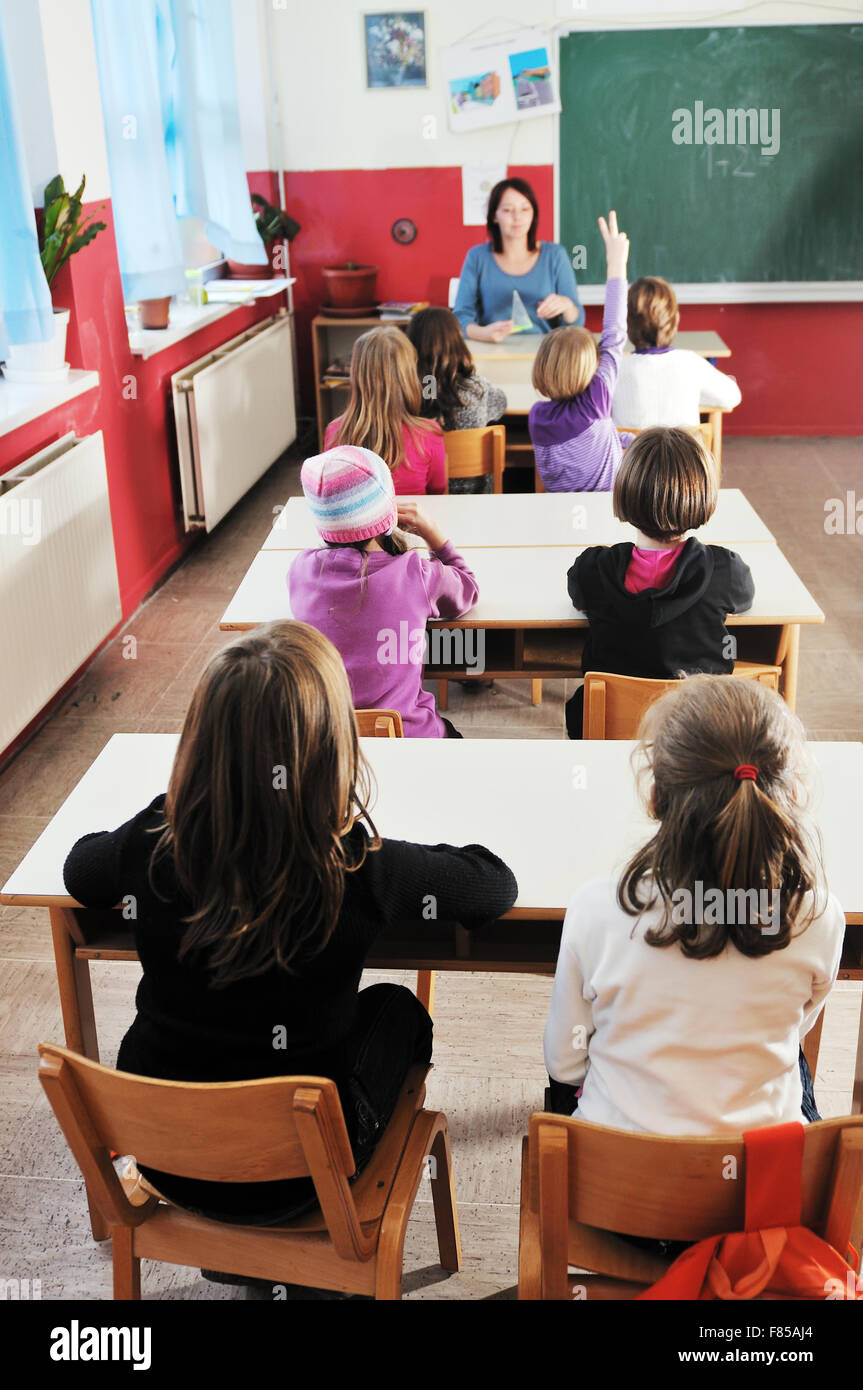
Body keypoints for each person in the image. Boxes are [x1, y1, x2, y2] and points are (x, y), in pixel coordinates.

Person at [63, 621, 518, 1226]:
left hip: (165, 1157)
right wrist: (404, 855)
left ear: (201, 742)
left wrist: (166, 812)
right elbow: (494, 885)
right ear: (333, 745)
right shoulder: (359, 868)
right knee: (398, 1010)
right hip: (304, 1175)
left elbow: (79, 869)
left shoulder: (152, 843)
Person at [544, 674, 844, 1133]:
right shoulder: (819, 917)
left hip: (617, 1169)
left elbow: (566, 1063)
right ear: (791, 797)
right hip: (765, 1169)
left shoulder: (596, 908)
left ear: (655, 798)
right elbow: (795, 1029)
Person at [564, 426, 754, 739]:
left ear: (625, 491)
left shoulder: (593, 570)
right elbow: (744, 599)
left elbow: (579, 598)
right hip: (697, 734)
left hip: (608, 727)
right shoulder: (725, 571)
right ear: (701, 495)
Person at [290, 445, 478, 737]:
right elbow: (468, 589)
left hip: (331, 742)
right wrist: (434, 535)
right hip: (409, 737)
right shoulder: (417, 573)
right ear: (388, 512)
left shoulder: (300, 570)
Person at [529, 210, 633, 492]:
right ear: (591, 369)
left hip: (561, 510)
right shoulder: (595, 402)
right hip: (608, 510)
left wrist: (622, 439)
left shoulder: (537, 416)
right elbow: (614, 333)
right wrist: (616, 263)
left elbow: (590, 442)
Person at [453, 178, 584, 341]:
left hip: (546, 352)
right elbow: (460, 317)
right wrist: (484, 333)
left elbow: (577, 323)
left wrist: (567, 305)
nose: (517, 217)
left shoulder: (555, 255)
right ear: (494, 215)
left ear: (533, 214)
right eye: (508, 210)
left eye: (525, 209)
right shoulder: (477, 257)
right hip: (491, 350)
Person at [325, 326, 445, 494]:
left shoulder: (334, 433)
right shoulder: (429, 434)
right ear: (409, 375)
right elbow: (438, 493)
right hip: (414, 512)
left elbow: (333, 496)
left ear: (356, 374)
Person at [612, 276, 742, 428]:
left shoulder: (614, 370)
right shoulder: (690, 363)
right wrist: (692, 393)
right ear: (675, 319)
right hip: (681, 444)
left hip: (633, 445)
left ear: (627, 323)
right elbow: (732, 397)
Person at [407, 306, 507, 495]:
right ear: (458, 344)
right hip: (477, 498)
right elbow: (501, 404)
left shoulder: (408, 394)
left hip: (428, 499)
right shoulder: (478, 389)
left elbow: (431, 389)